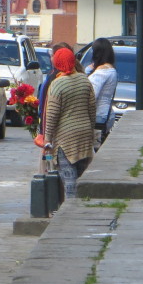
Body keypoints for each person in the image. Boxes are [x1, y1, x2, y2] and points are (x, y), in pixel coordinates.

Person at [43, 47, 96, 197]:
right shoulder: (84, 80)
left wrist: (47, 139)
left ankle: (70, 213)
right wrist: (91, 131)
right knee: (80, 178)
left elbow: (52, 115)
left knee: (69, 182)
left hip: (65, 139)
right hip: (84, 136)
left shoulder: (57, 84)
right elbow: (92, 109)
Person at [85, 38, 118, 149]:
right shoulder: (111, 69)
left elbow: (91, 95)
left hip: (97, 116)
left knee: (94, 150)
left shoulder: (101, 72)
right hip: (106, 114)